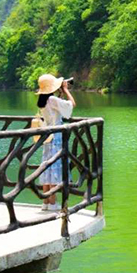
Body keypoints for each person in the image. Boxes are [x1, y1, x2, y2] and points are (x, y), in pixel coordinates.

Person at [35, 74, 76, 211]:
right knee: (54, 168)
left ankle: (46, 202)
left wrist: (60, 93)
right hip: (57, 136)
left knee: (47, 168)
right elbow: (71, 105)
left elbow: (58, 110)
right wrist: (66, 90)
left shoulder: (42, 101)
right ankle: (53, 203)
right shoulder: (52, 99)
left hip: (47, 136)